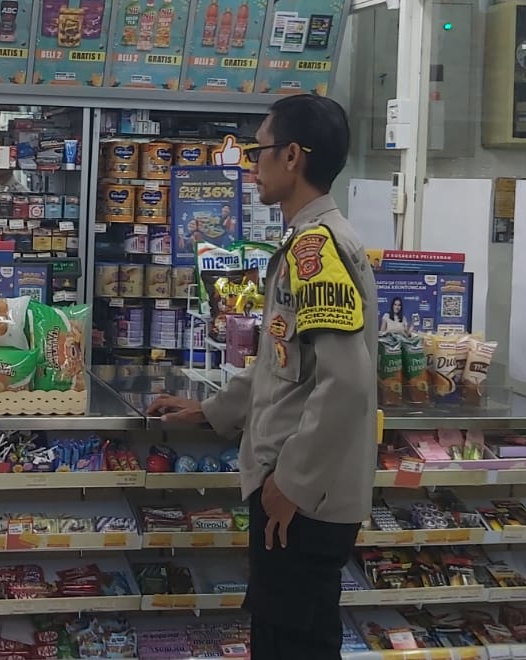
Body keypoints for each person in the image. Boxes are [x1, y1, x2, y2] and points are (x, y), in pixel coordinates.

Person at [148, 94, 377, 660]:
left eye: (260, 151)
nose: (253, 165)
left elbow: (347, 385)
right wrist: (213, 409)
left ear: (293, 156)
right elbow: (284, 363)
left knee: (294, 644)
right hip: (300, 493)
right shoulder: (304, 242)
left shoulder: (317, 252)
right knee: (280, 638)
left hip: (304, 500)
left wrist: (289, 483)